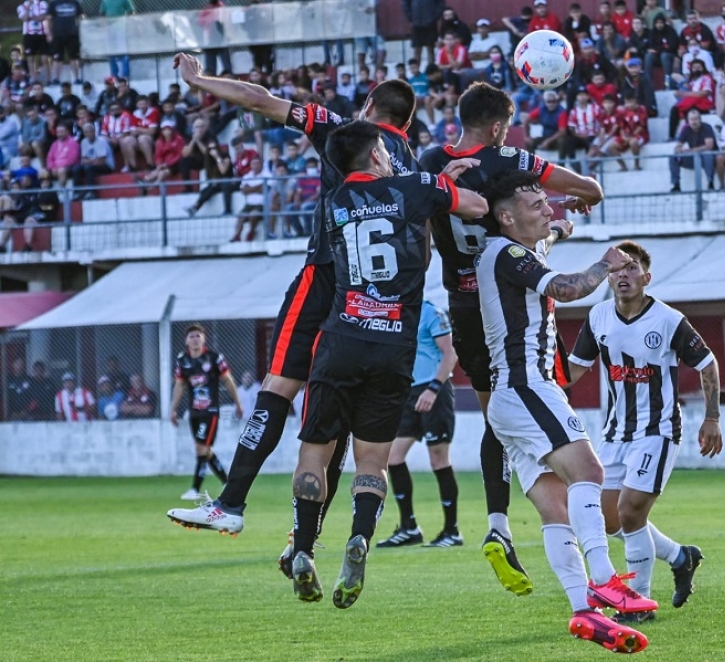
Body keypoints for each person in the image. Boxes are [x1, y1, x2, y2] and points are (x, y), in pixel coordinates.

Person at [165, 58, 455, 547]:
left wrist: (200, 81)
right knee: (336, 420)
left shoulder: (345, 131)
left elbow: (259, 98)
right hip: (384, 305)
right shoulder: (412, 164)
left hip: (325, 275)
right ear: (406, 123)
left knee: (280, 386)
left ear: (368, 108)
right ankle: (307, 539)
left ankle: (231, 503)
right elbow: (429, 242)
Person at [285, 121, 485, 607]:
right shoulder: (414, 185)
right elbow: (475, 207)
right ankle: (360, 538)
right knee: (372, 460)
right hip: (394, 345)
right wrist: (444, 185)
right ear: (379, 152)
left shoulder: (331, 206)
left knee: (316, 453)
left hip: (341, 339)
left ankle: (304, 548)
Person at [419, 81, 604, 598]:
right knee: (539, 390)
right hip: (513, 292)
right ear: (500, 125)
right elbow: (590, 189)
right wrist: (574, 203)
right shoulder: (508, 158)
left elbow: (414, 212)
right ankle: (601, 566)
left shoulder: (433, 160)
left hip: (463, 301)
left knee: (497, 413)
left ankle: (498, 522)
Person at [478, 170, 655, 652]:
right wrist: (606, 264)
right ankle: (602, 578)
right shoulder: (506, 252)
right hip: (528, 385)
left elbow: (547, 244)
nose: (548, 209)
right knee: (590, 474)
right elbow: (568, 289)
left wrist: (559, 228)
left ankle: (585, 613)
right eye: (538, 205)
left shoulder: (516, 250)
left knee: (556, 507)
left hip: (509, 396)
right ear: (507, 217)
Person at [567, 239, 721, 620]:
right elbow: (573, 370)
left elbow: (707, 363)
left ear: (646, 277)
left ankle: (639, 603)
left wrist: (712, 417)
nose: (623, 275)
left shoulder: (668, 320)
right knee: (610, 520)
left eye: (631, 268)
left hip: (658, 429)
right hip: (616, 433)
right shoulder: (598, 317)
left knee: (632, 511)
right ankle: (680, 557)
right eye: (617, 269)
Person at [377, 300, 461, 549]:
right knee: (393, 457)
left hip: (434, 389)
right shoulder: (393, 313)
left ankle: (451, 530)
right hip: (407, 392)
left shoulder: (431, 312)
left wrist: (433, 389)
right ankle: (409, 527)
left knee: (438, 459)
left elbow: (450, 353)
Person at [168, 323, 242, 501]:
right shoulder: (183, 360)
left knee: (201, 448)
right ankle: (227, 483)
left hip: (210, 411)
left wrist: (238, 403)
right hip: (194, 412)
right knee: (205, 451)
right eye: (192, 336)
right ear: (186, 341)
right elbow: (179, 385)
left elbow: (227, 380)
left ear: (204, 339)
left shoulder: (214, 358)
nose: (195, 339)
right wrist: (173, 409)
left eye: (198, 336)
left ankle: (195, 489)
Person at [669, 107, 715, 192]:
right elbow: (678, 146)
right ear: (688, 120)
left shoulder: (707, 127)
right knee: (673, 157)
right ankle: (676, 184)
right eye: (691, 119)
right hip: (693, 158)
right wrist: (679, 149)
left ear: (700, 119)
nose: (694, 122)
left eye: (696, 119)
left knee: (707, 154)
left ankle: (710, 182)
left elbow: (709, 146)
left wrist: (690, 151)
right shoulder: (686, 129)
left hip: (706, 158)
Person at [46, 0, 83, 85]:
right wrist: (49, 33)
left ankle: (76, 78)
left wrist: (80, 27)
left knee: (74, 57)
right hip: (58, 34)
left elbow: (81, 16)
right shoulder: (53, 3)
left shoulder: (74, 2)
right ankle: (56, 78)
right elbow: (48, 19)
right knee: (57, 58)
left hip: (73, 34)